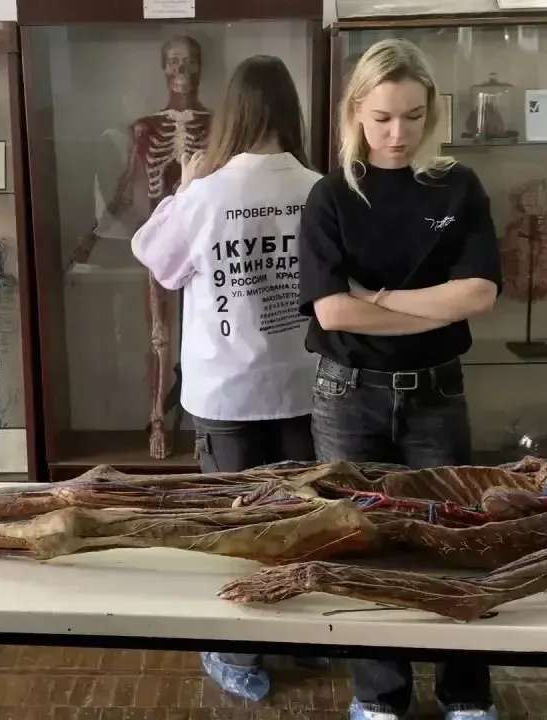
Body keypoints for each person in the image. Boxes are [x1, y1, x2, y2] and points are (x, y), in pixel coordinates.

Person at [297, 39, 504, 720]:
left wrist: (380, 300)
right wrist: (432, 305)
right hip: (347, 394)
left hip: (436, 390)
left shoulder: (458, 186)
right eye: (383, 117)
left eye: (413, 117)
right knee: (361, 539)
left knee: (457, 537)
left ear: (431, 113)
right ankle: (380, 695)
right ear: (356, 111)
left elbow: (479, 294)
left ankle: (464, 691)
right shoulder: (330, 196)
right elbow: (332, 311)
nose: (397, 133)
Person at [130, 54, 323, 702]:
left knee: (239, 523)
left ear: (232, 114)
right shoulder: (318, 189)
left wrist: (185, 186)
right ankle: (304, 637)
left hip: (227, 394)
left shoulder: (208, 194)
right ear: (290, 112)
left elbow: (159, 263)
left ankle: (240, 653)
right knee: (303, 512)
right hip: (306, 386)